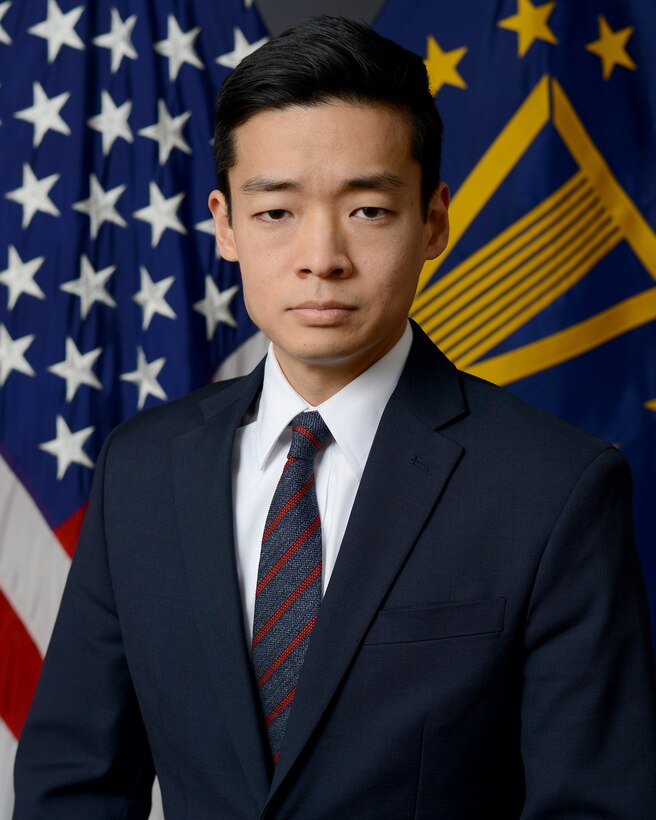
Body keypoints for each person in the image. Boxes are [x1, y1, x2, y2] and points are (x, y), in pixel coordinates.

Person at [13, 16, 656, 819]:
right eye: (276, 212)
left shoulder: (555, 488)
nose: (321, 258)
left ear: (434, 221)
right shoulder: (140, 469)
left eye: (368, 211)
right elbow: (72, 787)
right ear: (225, 224)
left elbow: (594, 806)